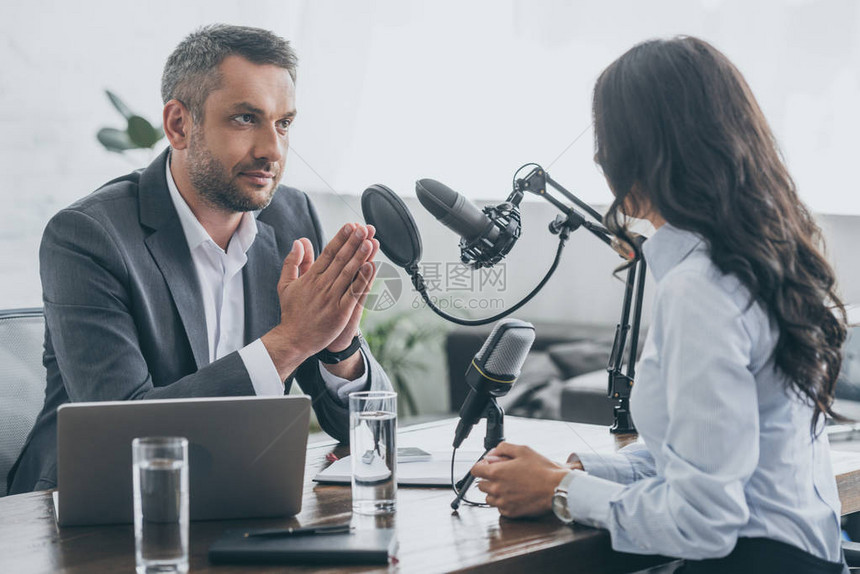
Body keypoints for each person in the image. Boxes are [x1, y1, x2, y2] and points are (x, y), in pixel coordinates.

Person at [470, 36, 848, 573]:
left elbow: (705, 518)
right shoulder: (759, 262)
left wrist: (560, 491)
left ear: (632, 157)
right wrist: (578, 470)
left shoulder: (701, 289)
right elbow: (703, 458)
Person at [8, 24, 392, 494]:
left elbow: (369, 435)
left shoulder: (292, 217)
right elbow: (124, 436)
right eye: (246, 118)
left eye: (284, 123)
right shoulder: (89, 237)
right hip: (83, 514)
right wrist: (291, 341)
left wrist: (340, 346)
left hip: (238, 495)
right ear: (178, 125)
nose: (273, 150)